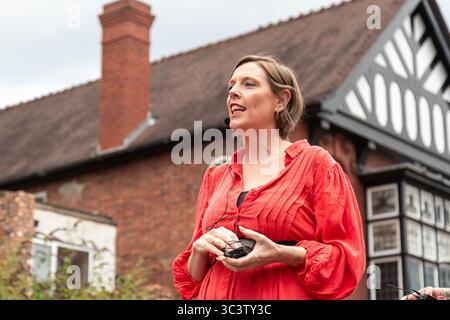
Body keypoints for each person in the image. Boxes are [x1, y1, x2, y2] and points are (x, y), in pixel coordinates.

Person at [172, 53, 366, 300]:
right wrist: (199, 250)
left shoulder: (316, 164)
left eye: (248, 84)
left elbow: (346, 264)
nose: (233, 92)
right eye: (231, 86)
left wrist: (279, 253)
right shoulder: (215, 176)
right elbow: (191, 284)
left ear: (281, 100)